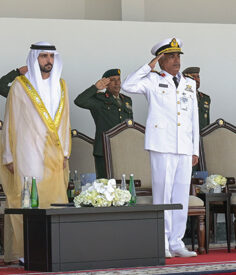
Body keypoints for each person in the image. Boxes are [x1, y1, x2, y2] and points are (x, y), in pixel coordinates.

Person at [122, 38, 199, 258]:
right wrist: (149, 65)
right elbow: (128, 85)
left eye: (178, 56)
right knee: (163, 195)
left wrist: (195, 149)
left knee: (180, 196)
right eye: (171, 56)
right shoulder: (152, 81)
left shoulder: (189, 84)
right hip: (162, 145)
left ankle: (177, 242)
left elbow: (194, 119)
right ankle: (163, 241)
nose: (176, 60)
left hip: (184, 146)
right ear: (161, 59)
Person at [0, 41, 71, 263]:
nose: (48, 60)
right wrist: (8, 155)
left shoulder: (61, 85)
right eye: (43, 56)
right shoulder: (20, 86)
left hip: (55, 154)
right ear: (34, 59)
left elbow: (65, 121)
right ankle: (26, 250)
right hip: (27, 151)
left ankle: (55, 246)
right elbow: (10, 121)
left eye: (51, 56)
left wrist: (66, 153)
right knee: (29, 199)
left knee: (55, 199)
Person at [74, 69, 133, 178]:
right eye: (112, 80)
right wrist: (95, 87)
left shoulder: (127, 100)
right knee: (105, 185)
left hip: (123, 148)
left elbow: (130, 126)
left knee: (123, 184)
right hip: (104, 149)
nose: (117, 83)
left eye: (118, 80)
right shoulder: (98, 99)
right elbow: (79, 101)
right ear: (106, 84)